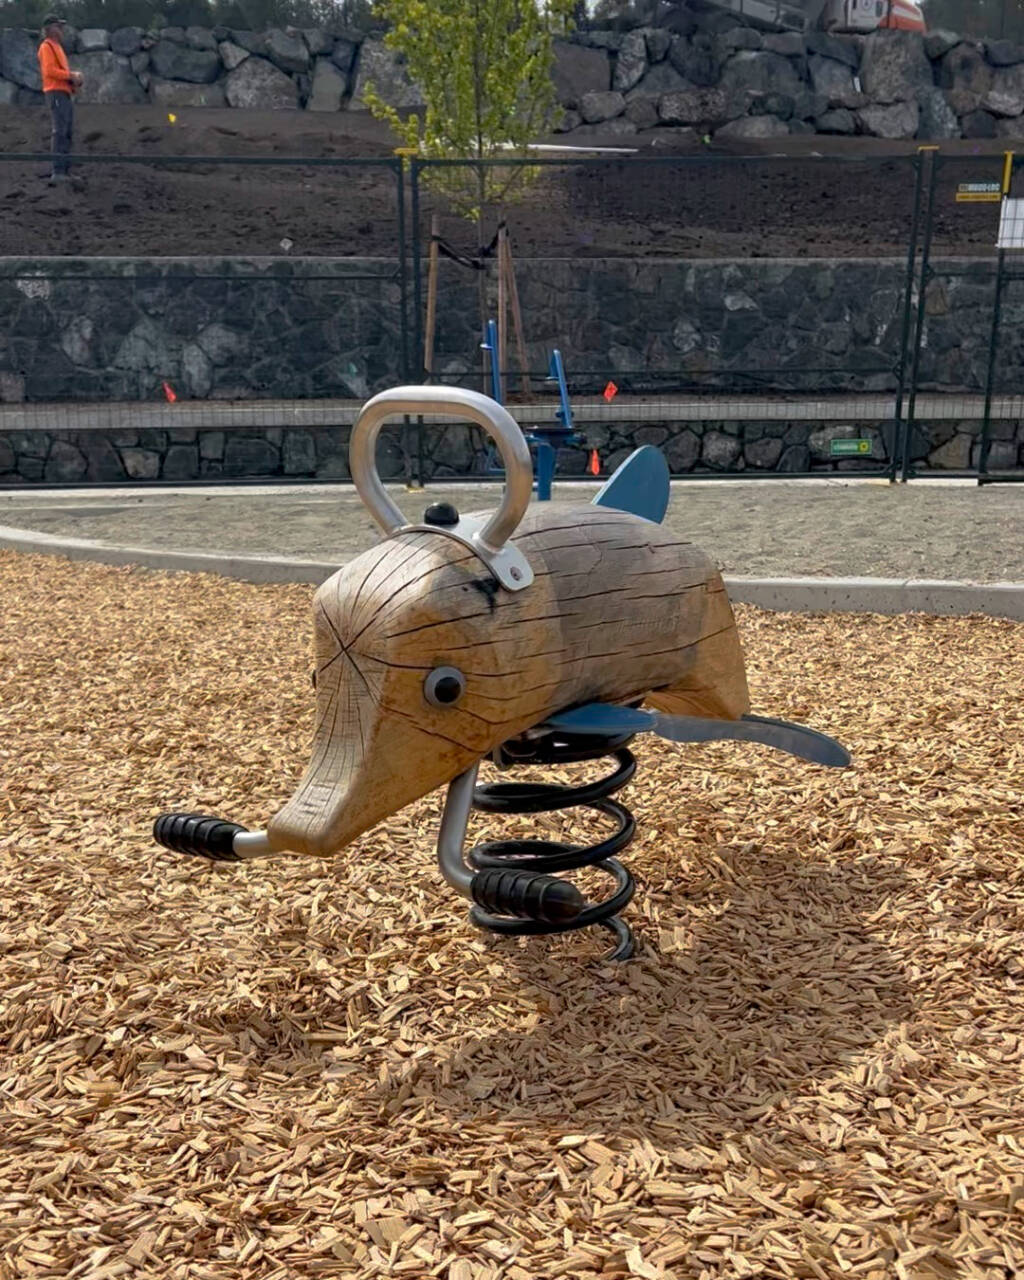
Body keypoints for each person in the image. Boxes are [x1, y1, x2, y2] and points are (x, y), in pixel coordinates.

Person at [37, 15, 83, 185]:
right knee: (60, 131)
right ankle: (58, 171)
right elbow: (49, 71)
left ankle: (65, 170)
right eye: (58, 26)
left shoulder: (57, 47)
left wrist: (72, 80)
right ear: (49, 29)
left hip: (63, 92)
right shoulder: (46, 46)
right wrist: (71, 76)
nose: (62, 29)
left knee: (67, 131)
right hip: (55, 92)